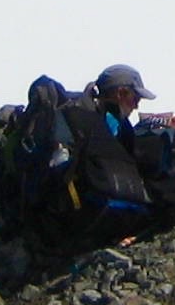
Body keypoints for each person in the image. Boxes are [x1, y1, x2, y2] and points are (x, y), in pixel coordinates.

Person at [19, 63, 156, 246]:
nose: (137, 106)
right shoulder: (79, 117)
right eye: (135, 98)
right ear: (120, 93)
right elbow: (58, 167)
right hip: (60, 212)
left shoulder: (109, 122)